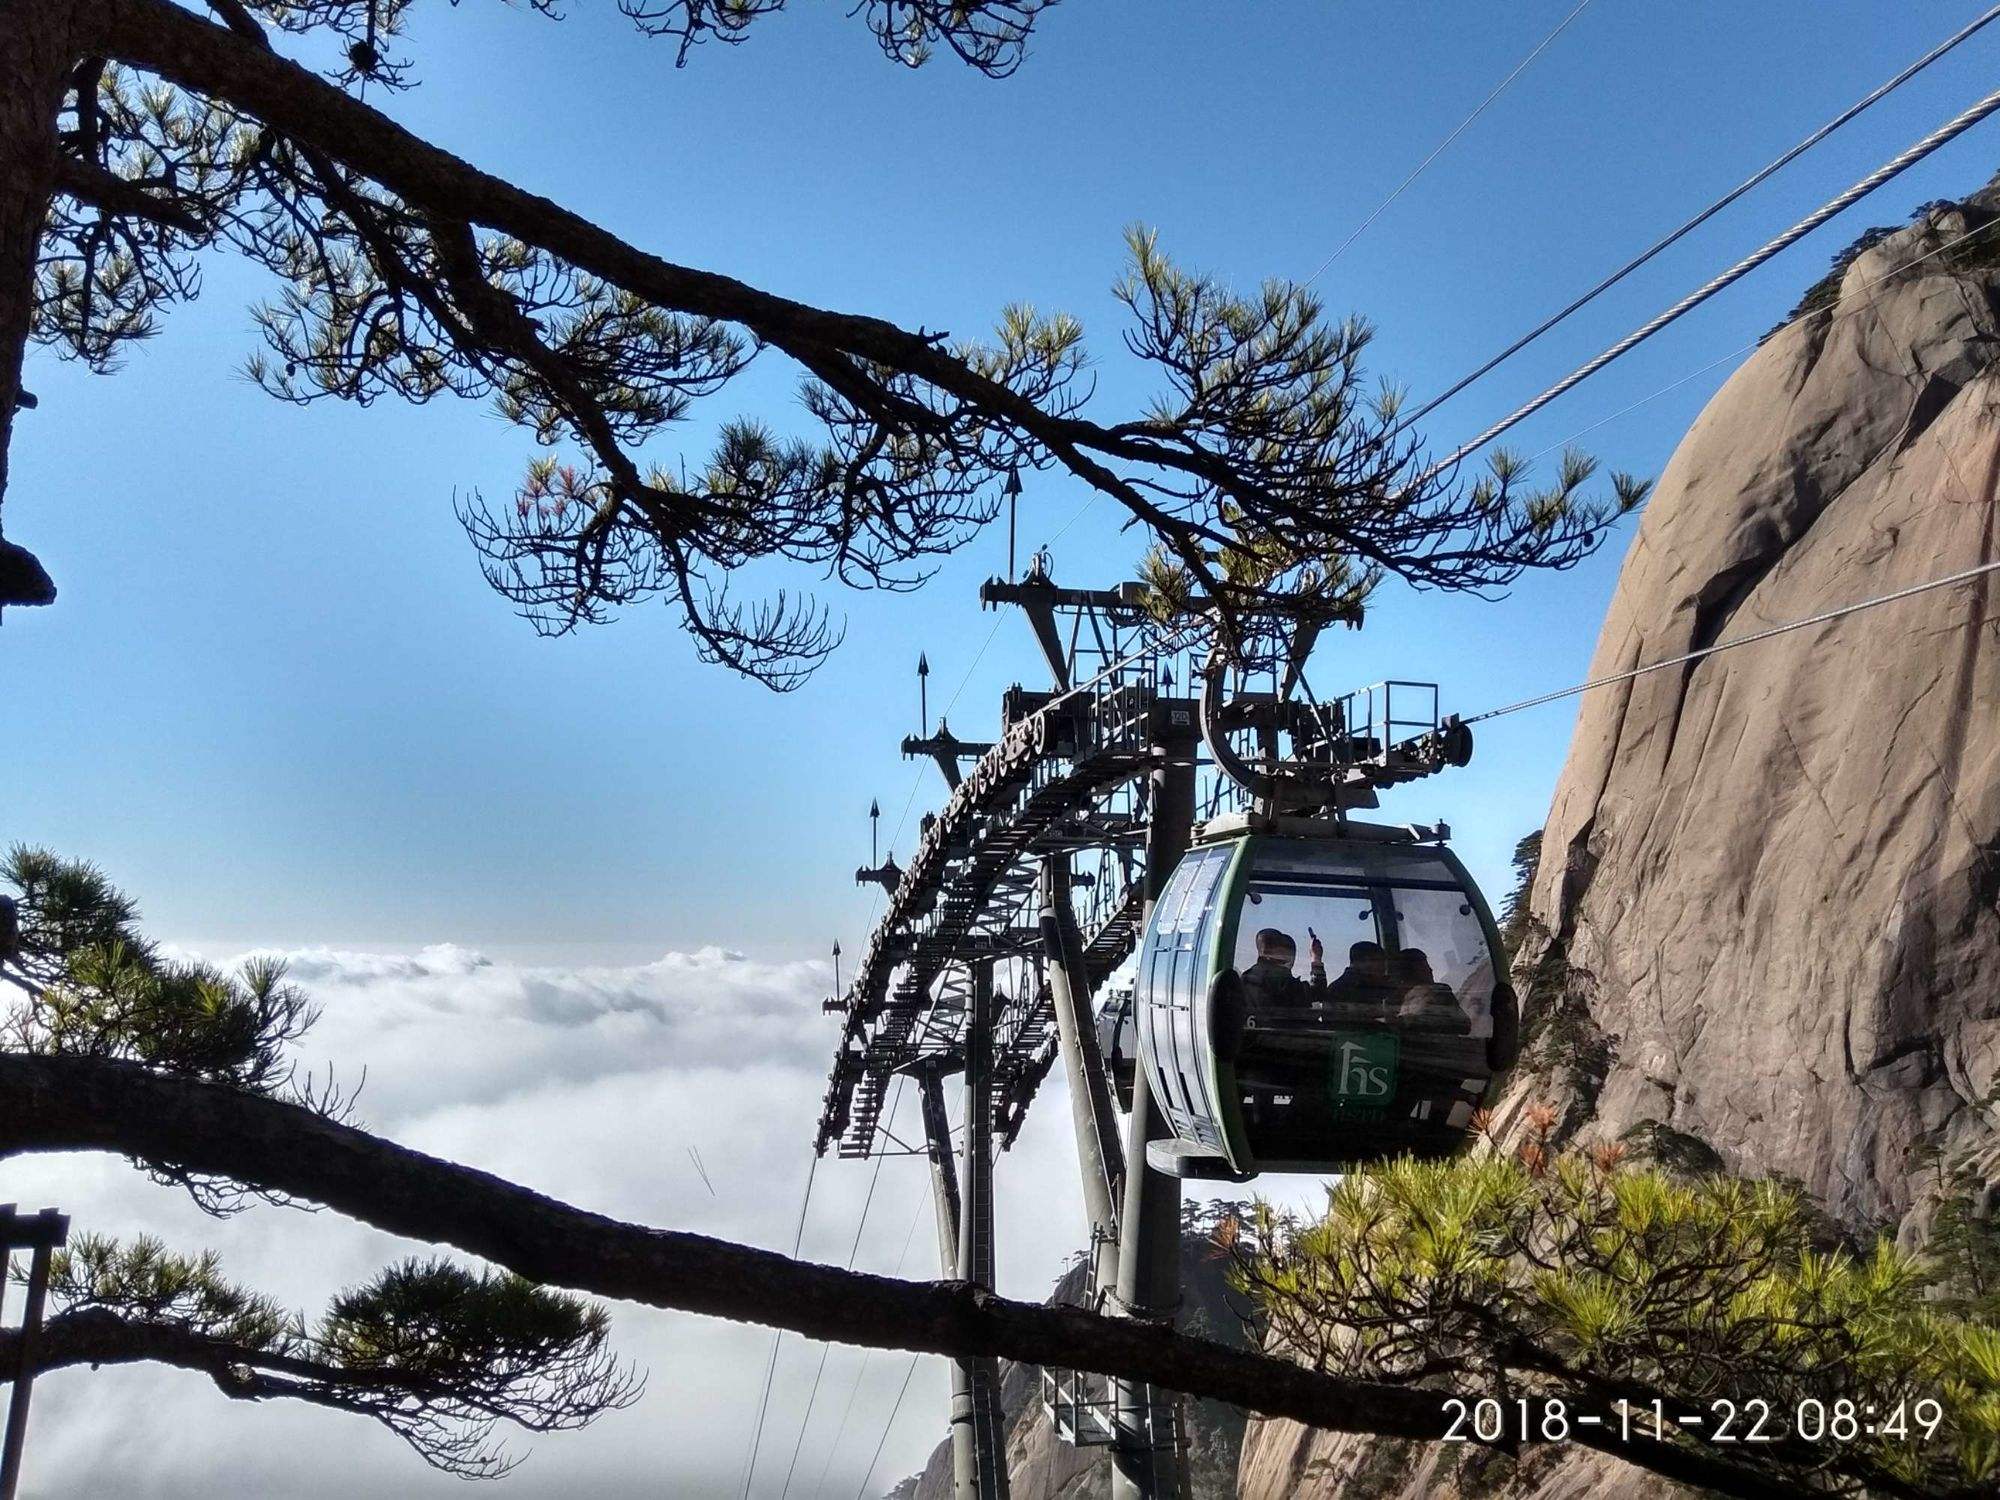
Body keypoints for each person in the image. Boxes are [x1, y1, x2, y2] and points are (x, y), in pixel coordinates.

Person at [1240, 928, 1316, 1022]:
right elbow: (1318, 992)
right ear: (1268, 952)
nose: (1288, 956)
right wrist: (1316, 959)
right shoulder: (1284, 981)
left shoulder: (1244, 979)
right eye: (1282, 950)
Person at [1394, 948, 1470, 1033]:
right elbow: (1464, 1025)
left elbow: (1464, 1026)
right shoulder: (1438, 992)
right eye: (1424, 967)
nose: (1431, 970)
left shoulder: (1439, 992)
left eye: (1427, 966)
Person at [1326, 940, 1392, 1019]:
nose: (1384, 969)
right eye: (1380, 963)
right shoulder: (1362, 989)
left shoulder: (1335, 988)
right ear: (1367, 961)